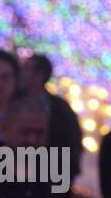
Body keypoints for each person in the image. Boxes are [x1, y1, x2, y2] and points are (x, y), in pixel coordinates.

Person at [20, 53, 83, 186]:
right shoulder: (14, 101)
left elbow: (73, 142)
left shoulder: (60, 108)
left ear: (40, 75)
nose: (22, 73)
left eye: (26, 69)